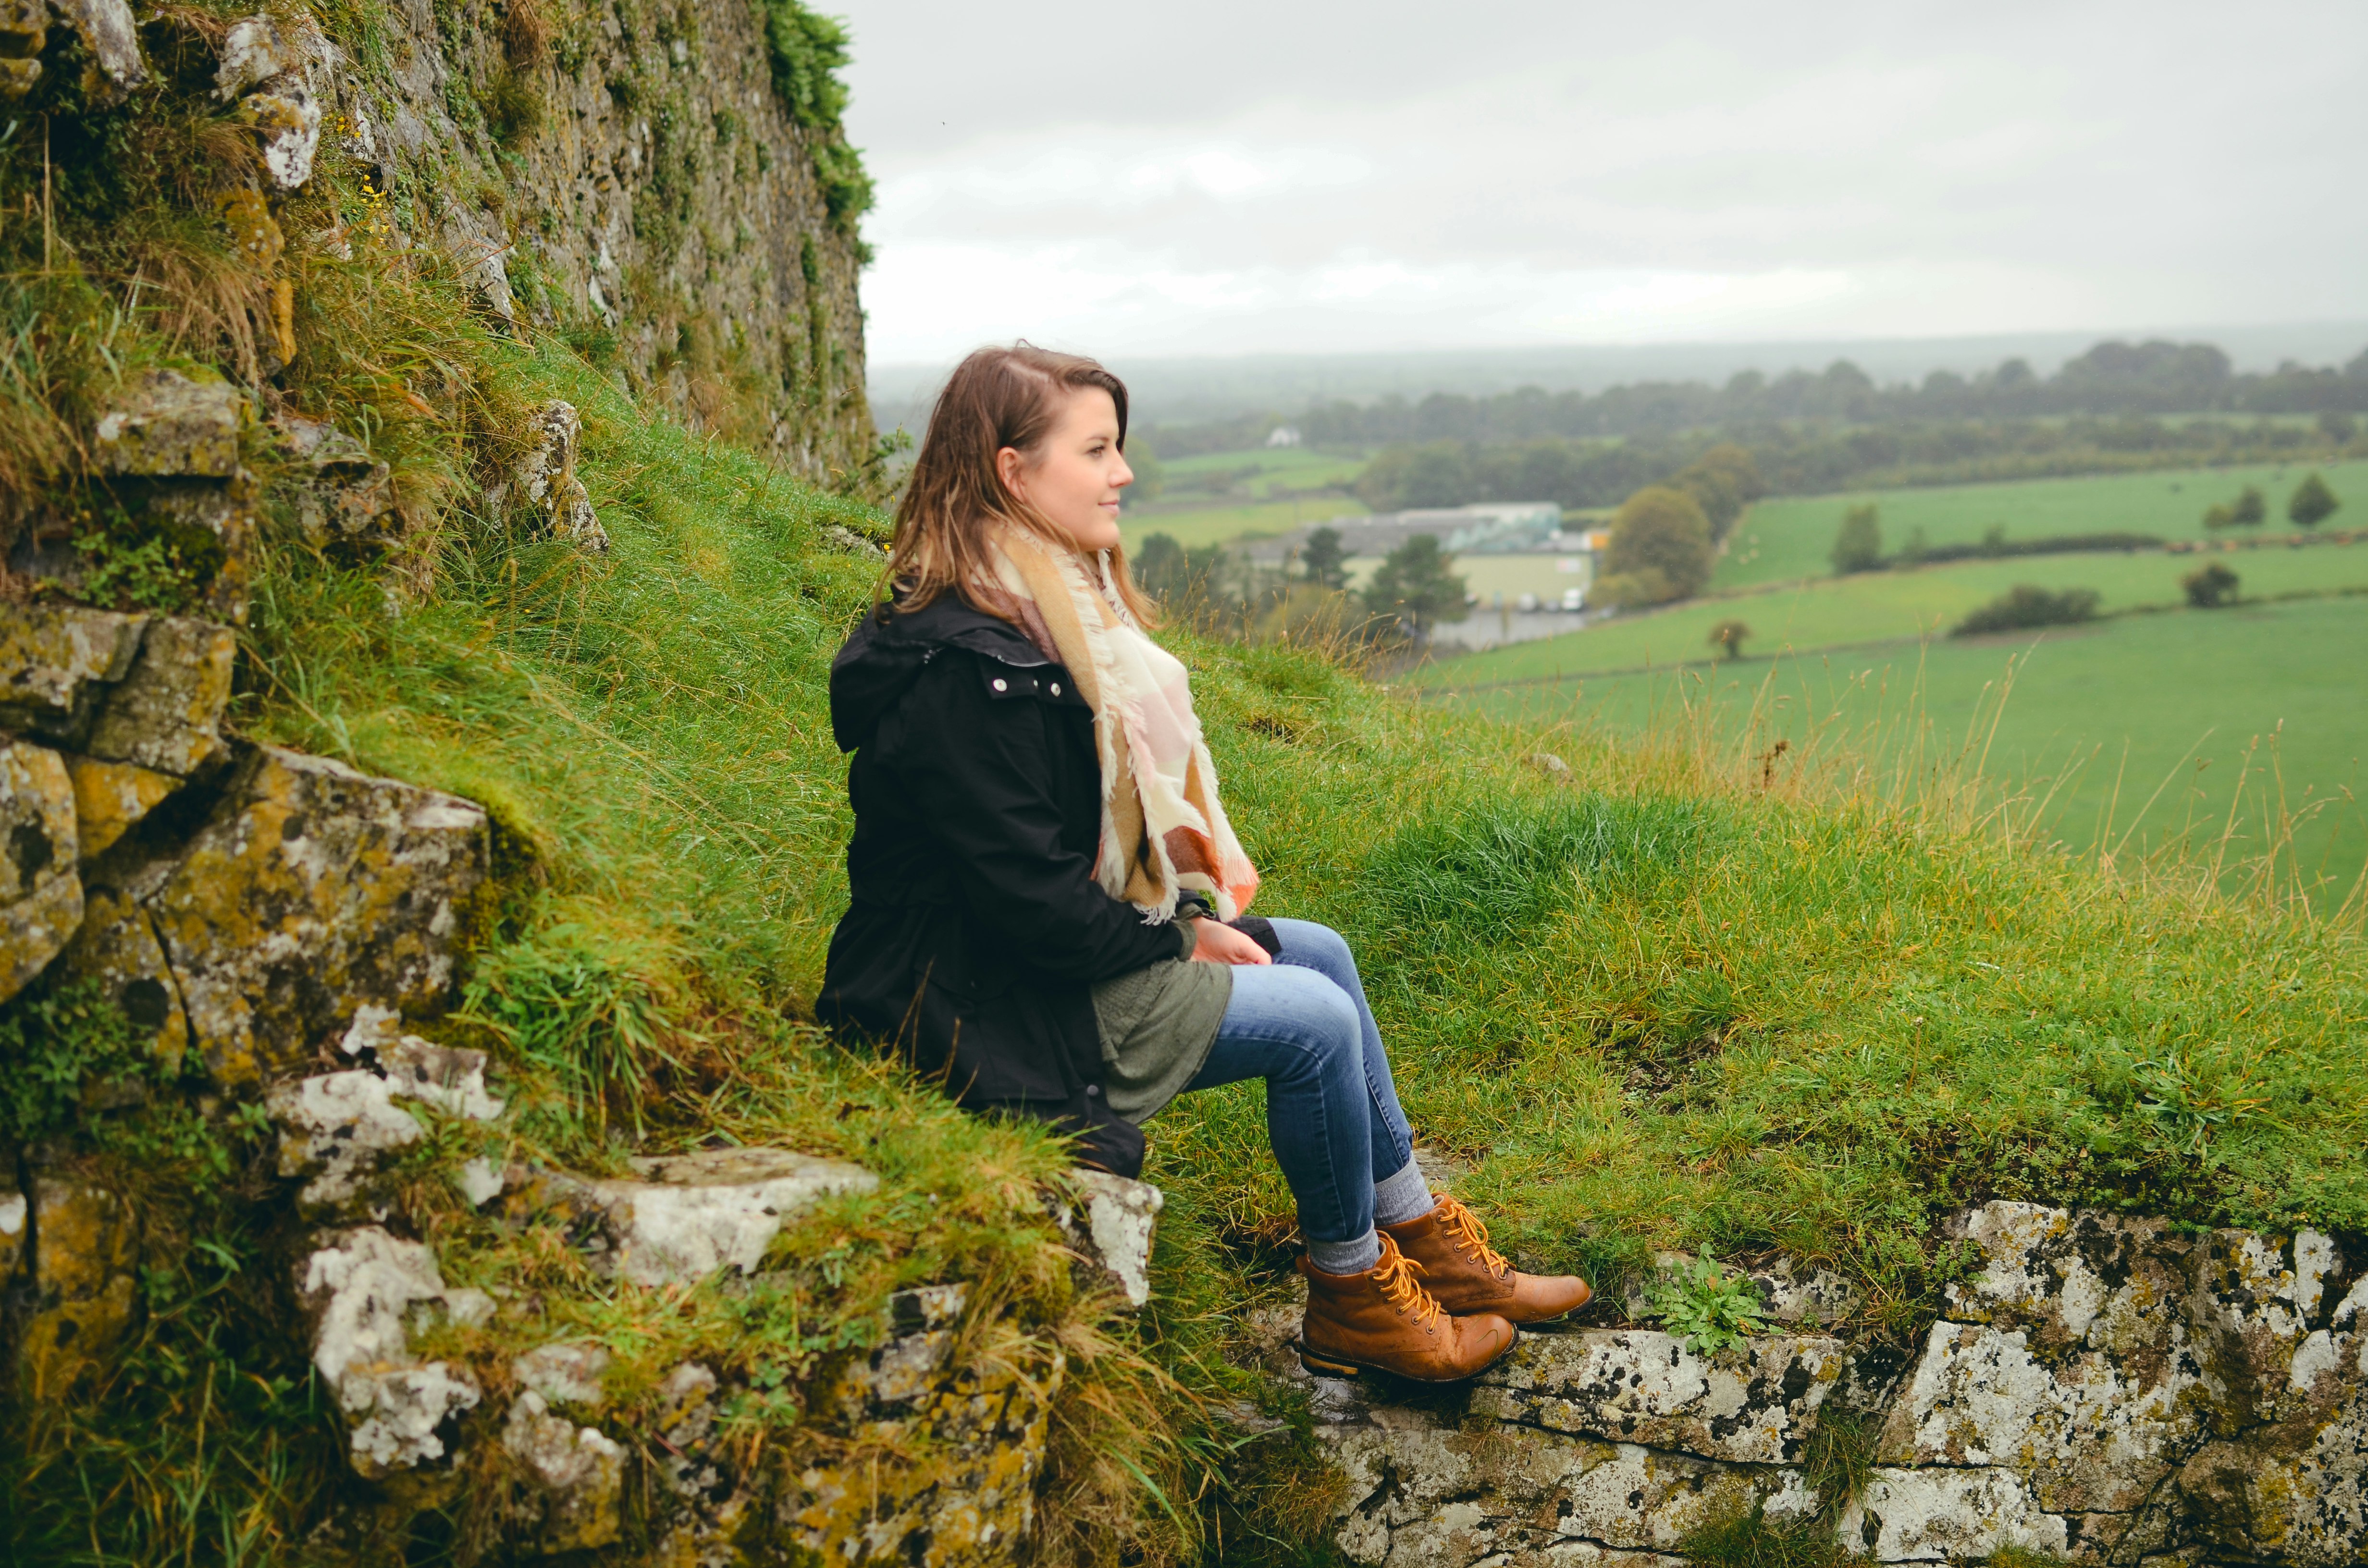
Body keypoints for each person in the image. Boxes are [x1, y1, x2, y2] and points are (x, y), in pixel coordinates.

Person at [819, 344, 1590, 1384]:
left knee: (1321, 952)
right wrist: (1179, 933)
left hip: (1036, 960)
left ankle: (1426, 1242)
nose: (1122, 473)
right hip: (975, 998)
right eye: (1096, 450)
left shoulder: (1045, 623)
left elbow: (1067, 867)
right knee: (1310, 1024)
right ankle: (1350, 1294)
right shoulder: (969, 669)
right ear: (1013, 472)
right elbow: (1028, 907)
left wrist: (1179, 916)